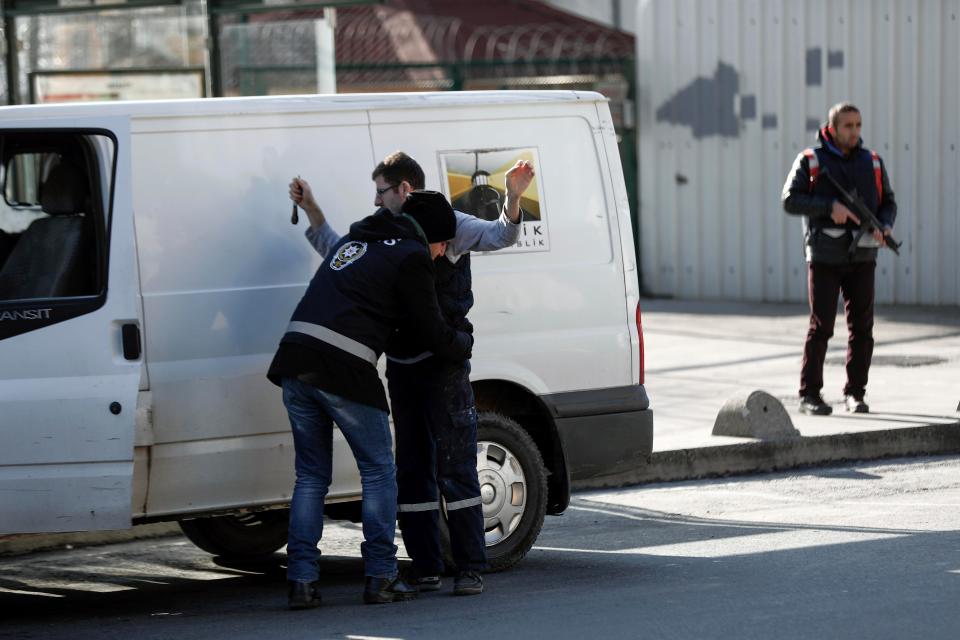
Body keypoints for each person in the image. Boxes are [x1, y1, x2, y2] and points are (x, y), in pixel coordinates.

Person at [289, 151, 535, 596]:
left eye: (382, 191)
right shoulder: (387, 230)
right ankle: (423, 566)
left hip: (442, 367)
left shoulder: (450, 224)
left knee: (456, 466)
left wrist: (513, 197)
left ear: (404, 189)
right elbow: (339, 252)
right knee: (412, 470)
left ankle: (468, 567)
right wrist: (313, 211)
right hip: (404, 366)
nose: (377, 201)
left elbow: (502, 235)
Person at [267, 190, 473, 609]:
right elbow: (430, 328)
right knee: (379, 472)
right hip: (343, 367)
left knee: (310, 477)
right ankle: (381, 576)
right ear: (432, 236)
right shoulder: (413, 255)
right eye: (442, 245)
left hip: (294, 357)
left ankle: (302, 582)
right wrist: (462, 343)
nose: (440, 254)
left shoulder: (355, 241)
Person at [782, 102, 897, 416]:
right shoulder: (811, 160)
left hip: (863, 254)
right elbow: (790, 200)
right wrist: (828, 207)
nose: (855, 131)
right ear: (832, 128)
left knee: (863, 327)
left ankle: (855, 394)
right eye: (848, 126)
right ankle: (810, 395)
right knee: (821, 327)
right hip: (824, 256)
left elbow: (888, 202)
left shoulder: (872, 161)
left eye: (858, 125)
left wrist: (885, 226)